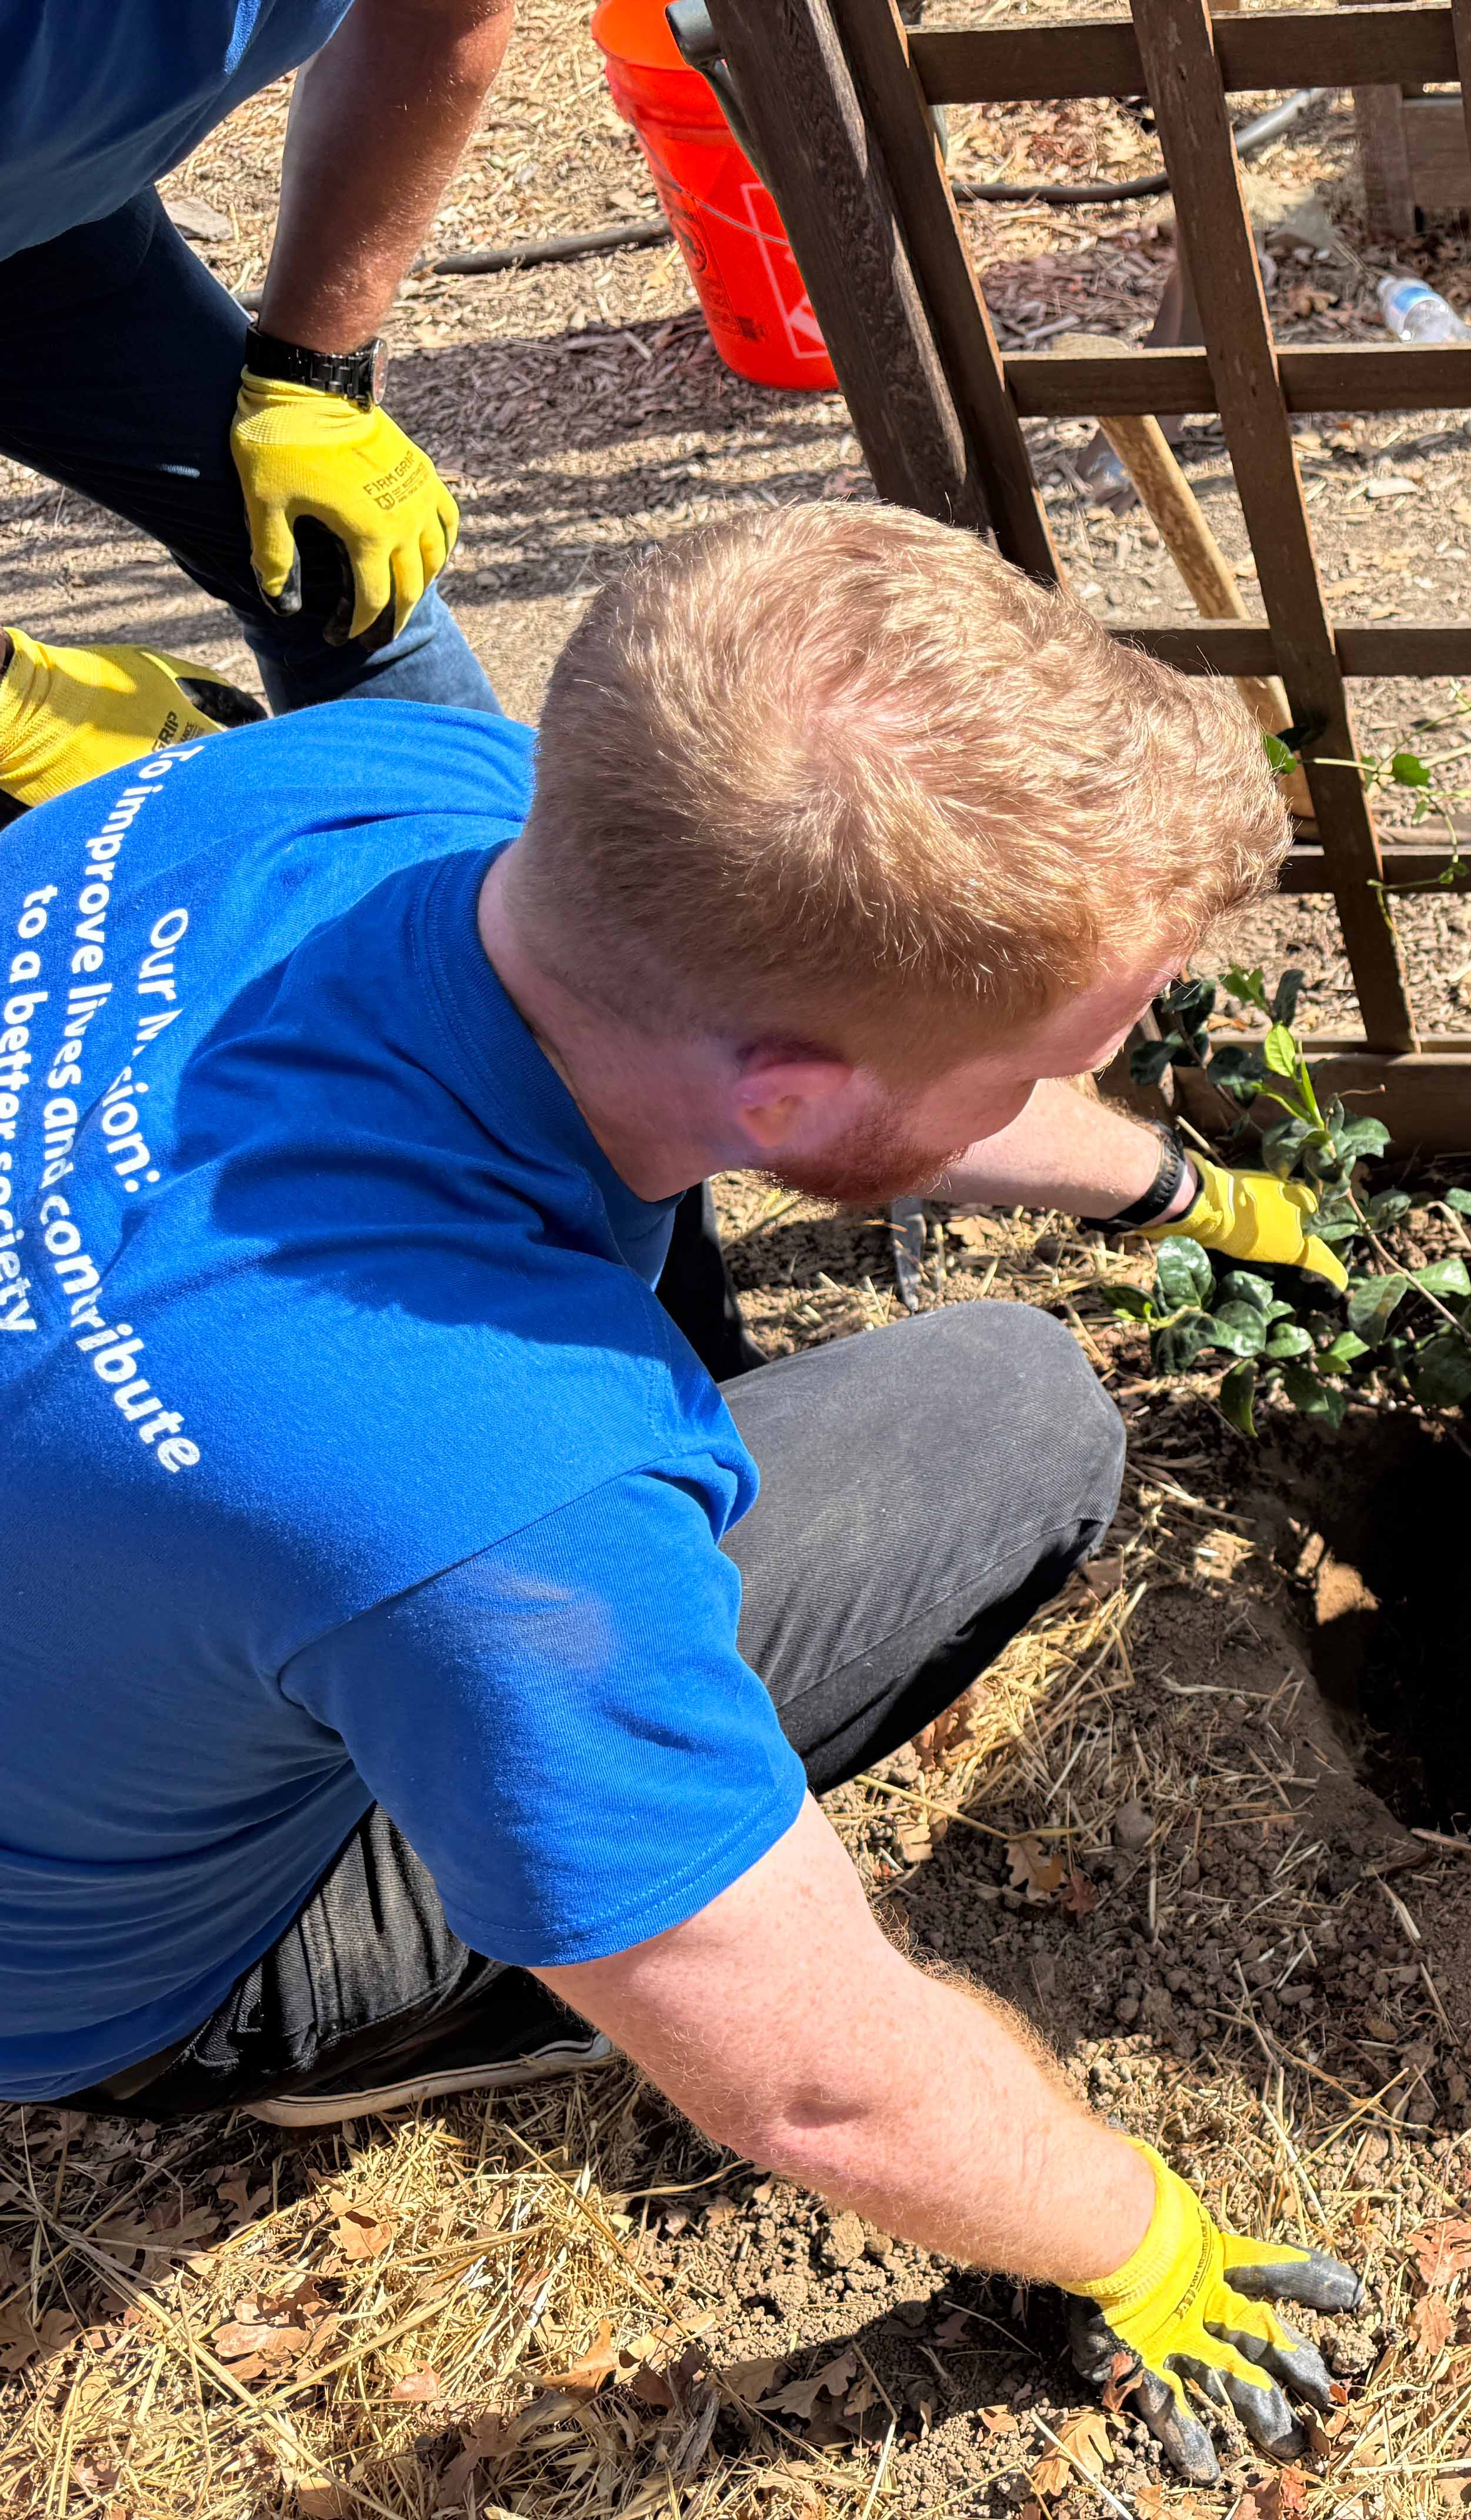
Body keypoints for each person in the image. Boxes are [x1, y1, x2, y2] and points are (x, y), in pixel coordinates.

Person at [0, 502, 1357, 2478]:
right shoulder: (482, 1481)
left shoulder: (367, 790)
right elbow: (809, 2082)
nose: (1097, 1084)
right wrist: (1137, 2238)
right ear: (789, 1105)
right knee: (1016, 1419)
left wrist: (1168, 1184)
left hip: (103, 1570)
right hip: (107, 1969)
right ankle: (330, 2042)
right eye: (1046, 1071)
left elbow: (843, 1067)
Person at [0, 0, 513, 821]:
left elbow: (440, 19)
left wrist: (311, 380)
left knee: (332, 567)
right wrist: (11, 713)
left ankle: (472, 893)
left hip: (45, 206)